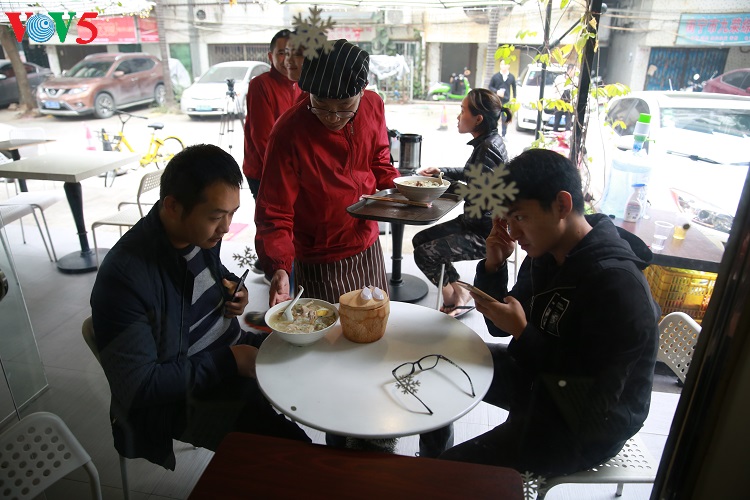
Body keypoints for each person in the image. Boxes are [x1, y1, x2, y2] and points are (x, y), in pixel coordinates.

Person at [437, 148, 660, 476]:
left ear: (562, 205)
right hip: (541, 379)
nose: (513, 233)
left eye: (520, 218)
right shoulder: (546, 253)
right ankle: (434, 447)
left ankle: (436, 469)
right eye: (508, 220)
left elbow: (590, 403)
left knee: (442, 475)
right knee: (442, 362)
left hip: (583, 426)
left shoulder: (617, 286)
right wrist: (494, 266)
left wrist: (524, 333)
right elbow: (502, 326)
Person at [90, 144, 310, 470]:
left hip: (231, 353)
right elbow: (139, 386)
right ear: (173, 206)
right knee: (296, 453)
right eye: (216, 217)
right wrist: (230, 361)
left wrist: (233, 288)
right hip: (182, 397)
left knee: (312, 356)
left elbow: (209, 276)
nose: (226, 228)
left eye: (232, 214)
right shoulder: (124, 277)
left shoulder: (198, 235)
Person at [255, 39, 398, 306]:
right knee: (330, 329)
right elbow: (274, 211)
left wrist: (402, 188)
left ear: (362, 90)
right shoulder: (288, 132)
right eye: (320, 103)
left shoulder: (373, 105)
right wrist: (279, 266)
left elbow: (379, 157)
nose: (332, 117)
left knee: (375, 318)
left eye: (344, 106)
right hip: (321, 254)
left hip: (367, 240)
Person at [413, 88, 510, 318]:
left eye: (463, 110)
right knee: (420, 240)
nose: (458, 116)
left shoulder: (488, 148)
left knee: (425, 254)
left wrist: (439, 183)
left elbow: (477, 193)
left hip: (485, 233)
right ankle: (461, 292)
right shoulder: (488, 142)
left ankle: (451, 300)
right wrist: (441, 171)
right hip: (473, 222)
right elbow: (472, 173)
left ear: (478, 119)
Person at [242, 29, 301, 283]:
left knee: (292, 222)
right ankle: (276, 273)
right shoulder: (260, 85)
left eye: (293, 53)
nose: (288, 59)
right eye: (282, 53)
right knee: (273, 221)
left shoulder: (300, 85)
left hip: (291, 170)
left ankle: (275, 264)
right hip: (262, 170)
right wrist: (293, 173)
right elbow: (263, 139)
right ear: (270, 56)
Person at [488, 59, 516, 137]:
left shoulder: (511, 77)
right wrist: (496, 91)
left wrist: (514, 99)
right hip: (496, 100)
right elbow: (490, 87)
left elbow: (514, 89)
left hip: (506, 101)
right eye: (501, 64)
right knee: (494, 117)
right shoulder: (495, 76)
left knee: (505, 118)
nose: (503, 66)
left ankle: (504, 134)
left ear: (508, 65)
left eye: (505, 64)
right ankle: (493, 133)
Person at [552, 64, 576, 132]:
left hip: (569, 104)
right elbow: (554, 89)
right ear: (570, 70)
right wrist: (555, 99)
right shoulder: (559, 78)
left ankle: (567, 134)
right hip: (559, 102)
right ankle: (555, 133)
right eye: (574, 70)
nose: (574, 72)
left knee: (568, 123)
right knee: (556, 121)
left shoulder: (575, 80)